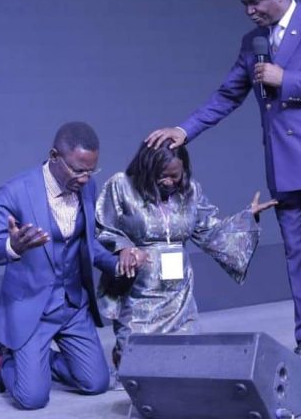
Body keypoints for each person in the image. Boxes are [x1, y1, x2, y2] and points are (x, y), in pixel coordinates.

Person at [146, 0, 301, 381]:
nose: (249, 12)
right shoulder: (254, 42)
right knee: (297, 257)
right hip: (283, 166)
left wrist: (288, 79)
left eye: (255, 2)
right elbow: (228, 95)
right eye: (244, 5)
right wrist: (184, 130)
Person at [0, 122, 144, 409]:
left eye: (91, 171)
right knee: (32, 399)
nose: (85, 178)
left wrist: (117, 263)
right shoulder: (16, 191)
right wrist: (12, 246)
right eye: (78, 170)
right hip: (33, 307)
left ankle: (39, 363)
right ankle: (5, 360)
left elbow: (88, 244)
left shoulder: (86, 188)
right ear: (54, 156)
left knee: (96, 384)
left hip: (72, 306)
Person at [95, 141, 277, 380]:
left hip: (178, 290)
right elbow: (104, 227)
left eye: (175, 176)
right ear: (147, 168)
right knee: (137, 362)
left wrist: (247, 217)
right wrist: (124, 247)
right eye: (163, 176)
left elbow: (209, 230)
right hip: (139, 287)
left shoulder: (190, 191)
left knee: (184, 359)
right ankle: (125, 357)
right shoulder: (122, 186)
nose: (169, 182)